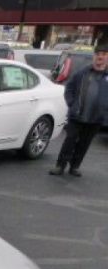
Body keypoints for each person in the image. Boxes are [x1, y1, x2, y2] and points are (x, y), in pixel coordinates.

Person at [50, 44, 108, 177]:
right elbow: (69, 88)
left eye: (104, 55)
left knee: (84, 144)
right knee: (69, 141)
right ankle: (60, 166)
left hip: (96, 118)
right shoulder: (83, 73)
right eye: (98, 54)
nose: (100, 57)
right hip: (77, 115)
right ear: (94, 56)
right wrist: (71, 104)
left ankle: (74, 166)